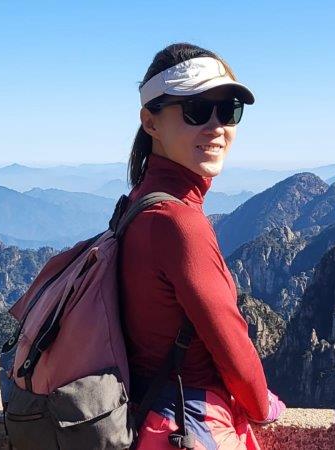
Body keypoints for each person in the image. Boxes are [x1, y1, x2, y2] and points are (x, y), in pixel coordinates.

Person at [119, 43, 286, 450]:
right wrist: (263, 405)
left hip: (146, 415)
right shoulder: (179, 223)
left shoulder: (139, 201)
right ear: (150, 122)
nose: (215, 126)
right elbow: (230, 344)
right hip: (187, 426)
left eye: (228, 110)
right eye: (196, 110)